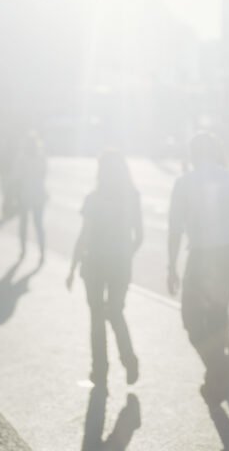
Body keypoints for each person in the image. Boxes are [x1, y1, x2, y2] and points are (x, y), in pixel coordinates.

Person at [167, 133, 229, 407]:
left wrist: (171, 267)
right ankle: (216, 378)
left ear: (192, 154)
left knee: (192, 320)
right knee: (217, 315)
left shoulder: (184, 183)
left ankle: (221, 370)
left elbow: (175, 229)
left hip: (202, 255)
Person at [66, 150, 142, 388]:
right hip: (120, 264)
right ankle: (129, 359)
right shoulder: (132, 196)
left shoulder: (93, 198)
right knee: (115, 311)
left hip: (94, 265)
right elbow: (139, 236)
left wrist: (72, 267)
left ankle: (99, 370)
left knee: (96, 318)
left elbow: (84, 235)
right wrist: (125, 255)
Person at [15, 133, 48, 263]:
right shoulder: (41, 158)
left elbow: (17, 179)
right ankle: (41, 251)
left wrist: (16, 195)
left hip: (26, 194)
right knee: (38, 224)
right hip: (38, 194)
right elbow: (44, 174)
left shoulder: (22, 159)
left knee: (25, 224)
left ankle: (24, 250)